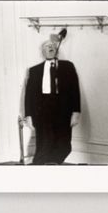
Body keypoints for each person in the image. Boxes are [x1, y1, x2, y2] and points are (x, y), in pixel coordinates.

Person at [20, 29, 81, 164]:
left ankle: (51, 165)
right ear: (43, 52)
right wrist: (29, 115)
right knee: (44, 145)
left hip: (64, 110)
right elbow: (29, 95)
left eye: (53, 46)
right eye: (47, 46)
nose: (51, 47)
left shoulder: (68, 66)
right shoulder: (34, 70)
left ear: (57, 50)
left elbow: (75, 90)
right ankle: (40, 168)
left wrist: (76, 112)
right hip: (43, 110)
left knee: (64, 145)